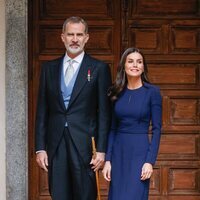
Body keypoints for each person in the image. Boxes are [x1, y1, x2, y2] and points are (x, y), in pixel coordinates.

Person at [35, 16, 112, 200]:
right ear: (63, 37)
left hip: (86, 146)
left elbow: (104, 113)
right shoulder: (49, 69)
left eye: (79, 34)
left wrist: (102, 150)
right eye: (70, 34)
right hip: (56, 143)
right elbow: (42, 111)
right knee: (59, 194)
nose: (75, 39)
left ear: (87, 37)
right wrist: (40, 148)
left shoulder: (99, 68)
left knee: (85, 195)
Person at [102, 47, 162, 200]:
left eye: (139, 62)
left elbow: (156, 129)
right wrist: (108, 160)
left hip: (139, 153)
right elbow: (113, 129)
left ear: (143, 67)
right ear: (124, 66)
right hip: (118, 153)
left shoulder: (152, 92)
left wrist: (150, 161)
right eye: (130, 61)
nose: (135, 65)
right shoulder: (116, 92)